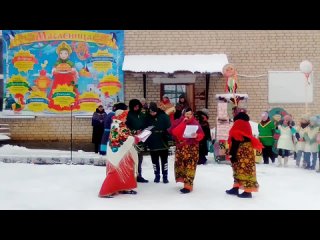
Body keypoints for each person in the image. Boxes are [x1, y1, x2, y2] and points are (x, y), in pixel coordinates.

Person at [98, 107, 140, 198]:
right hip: (118, 155)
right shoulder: (116, 125)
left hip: (124, 153)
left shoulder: (121, 124)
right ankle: (105, 191)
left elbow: (125, 135)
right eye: (125, 116)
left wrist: (133, 136)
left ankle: (123, 187)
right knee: (115, 172)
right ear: (120, 116)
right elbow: (118, 139)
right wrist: (134, 138)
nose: (126, 118)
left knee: (127, 170)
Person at [226, 111, 263, 198]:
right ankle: (237, 187)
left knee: (240, 169)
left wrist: (232, 154)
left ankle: (247, 191)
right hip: (247, 150)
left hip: (240, 150)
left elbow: (236, 139)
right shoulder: (247, 123)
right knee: (247, 169)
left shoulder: (238, 122)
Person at [168, 108, 204, 194]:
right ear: (183, 114)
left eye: (190, 114)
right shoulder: (179, 121)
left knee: (190, 166)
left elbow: (201, 135)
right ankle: (185, 182)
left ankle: (188, 185)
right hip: (181, 148)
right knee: (181, 165)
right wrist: (183, 123)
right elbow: (175, 132)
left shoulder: (196, 123)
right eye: (186, 114)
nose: (188, 116)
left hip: (192, 148)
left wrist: (196, 135)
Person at [145, 102, 171, 183]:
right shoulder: (147, 117)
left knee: (164, 160)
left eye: (153, 112)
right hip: (152, 141)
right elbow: (145, 128)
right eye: (151, 112)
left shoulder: (163, 116)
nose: (152, 114)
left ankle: (165, 176)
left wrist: (168, 136)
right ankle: (157, 175)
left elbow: (169, 127)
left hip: (162, 140)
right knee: (154, 160)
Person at [126, 99, 148, 183]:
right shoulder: (128, 115)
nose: (137, 108)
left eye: (138, 106)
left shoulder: (142, 114)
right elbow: (126, 127)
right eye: (135, 106)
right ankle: (131, 175)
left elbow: (145, 123)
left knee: (139, 157)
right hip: (131, 139)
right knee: (132, 158)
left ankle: (139, 175)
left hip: (141, 139)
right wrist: (134, 131)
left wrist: (144, 130)